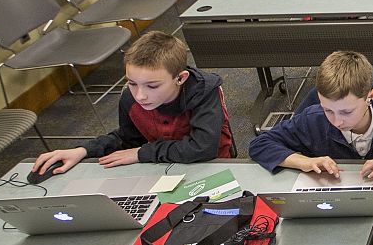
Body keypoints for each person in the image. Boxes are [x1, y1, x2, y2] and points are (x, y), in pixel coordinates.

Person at [31, 31, 234, 175]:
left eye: (152, 86)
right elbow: (128, 138)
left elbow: (202, 148)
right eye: (132, 83)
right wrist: (83, 151)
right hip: (161, 167)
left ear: (180, 78)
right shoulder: (130, 98)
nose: (140, 95)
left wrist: (141, 153)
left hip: (211, 167)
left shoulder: (205, 92)